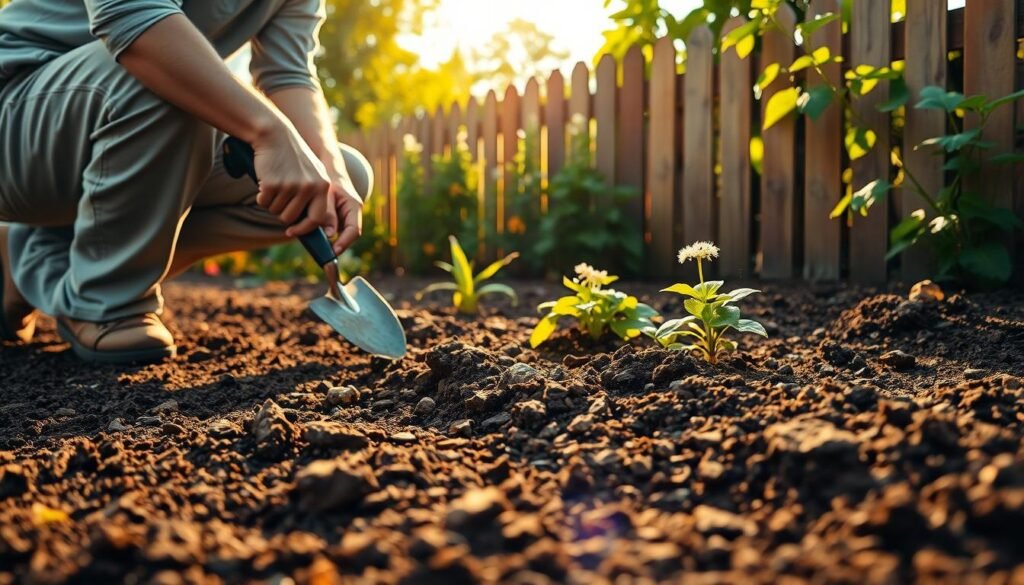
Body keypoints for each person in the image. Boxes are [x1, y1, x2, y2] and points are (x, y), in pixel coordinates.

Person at [0, 0, 372, 364]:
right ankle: (106, 300)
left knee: (334, 183)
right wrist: (268, 131)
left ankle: (39, 261)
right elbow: (131, 17)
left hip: (115, 121)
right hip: (17, 117)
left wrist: (331, 168)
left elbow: (289, 73)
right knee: (169, 70)